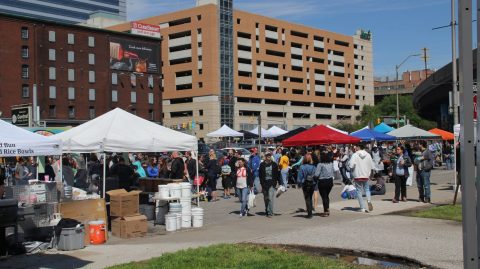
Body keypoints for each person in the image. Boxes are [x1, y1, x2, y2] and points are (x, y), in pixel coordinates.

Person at [349, 144, 374, 213]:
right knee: (367, 189)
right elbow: (372, 166)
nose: (355, 148)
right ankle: (369, 200)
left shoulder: (355, 155)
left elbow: (351, 165)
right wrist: (370, 174)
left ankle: (362, 207)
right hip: (366, 175)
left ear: (358, 147)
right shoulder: (368, 155)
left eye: (355, 146)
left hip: (357, 175)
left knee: (359, 191)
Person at [259, 152, 280, 218]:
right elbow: (260, 175)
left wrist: (278, 182)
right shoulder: (262, 165)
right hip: (264, 184)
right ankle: (267, 209)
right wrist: (262, 184)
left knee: (270, 198)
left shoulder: (274, 164)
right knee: (266, 198)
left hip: (272, 183)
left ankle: (270, 212)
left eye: (269, 156)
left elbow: (277, 174)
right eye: (267, 156)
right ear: (265, 157)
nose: (268, 157)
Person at [297, 153, 317, 218]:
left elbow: (299, 177)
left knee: (307, 198)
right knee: (310, 197)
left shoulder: (302, 167)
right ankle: (310, 211)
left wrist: (299, 183)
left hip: (305, 184)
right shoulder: (314, 167)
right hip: (312, 183)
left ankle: (309, 213)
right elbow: (316, 176)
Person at [315, 151, 334, 217]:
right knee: (326, 196)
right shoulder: (331, 163)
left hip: (322, 181)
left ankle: (326, 211)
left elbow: (316, 174)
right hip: (330, 181)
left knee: (324, 196)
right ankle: (327, 208)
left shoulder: (320, 164)